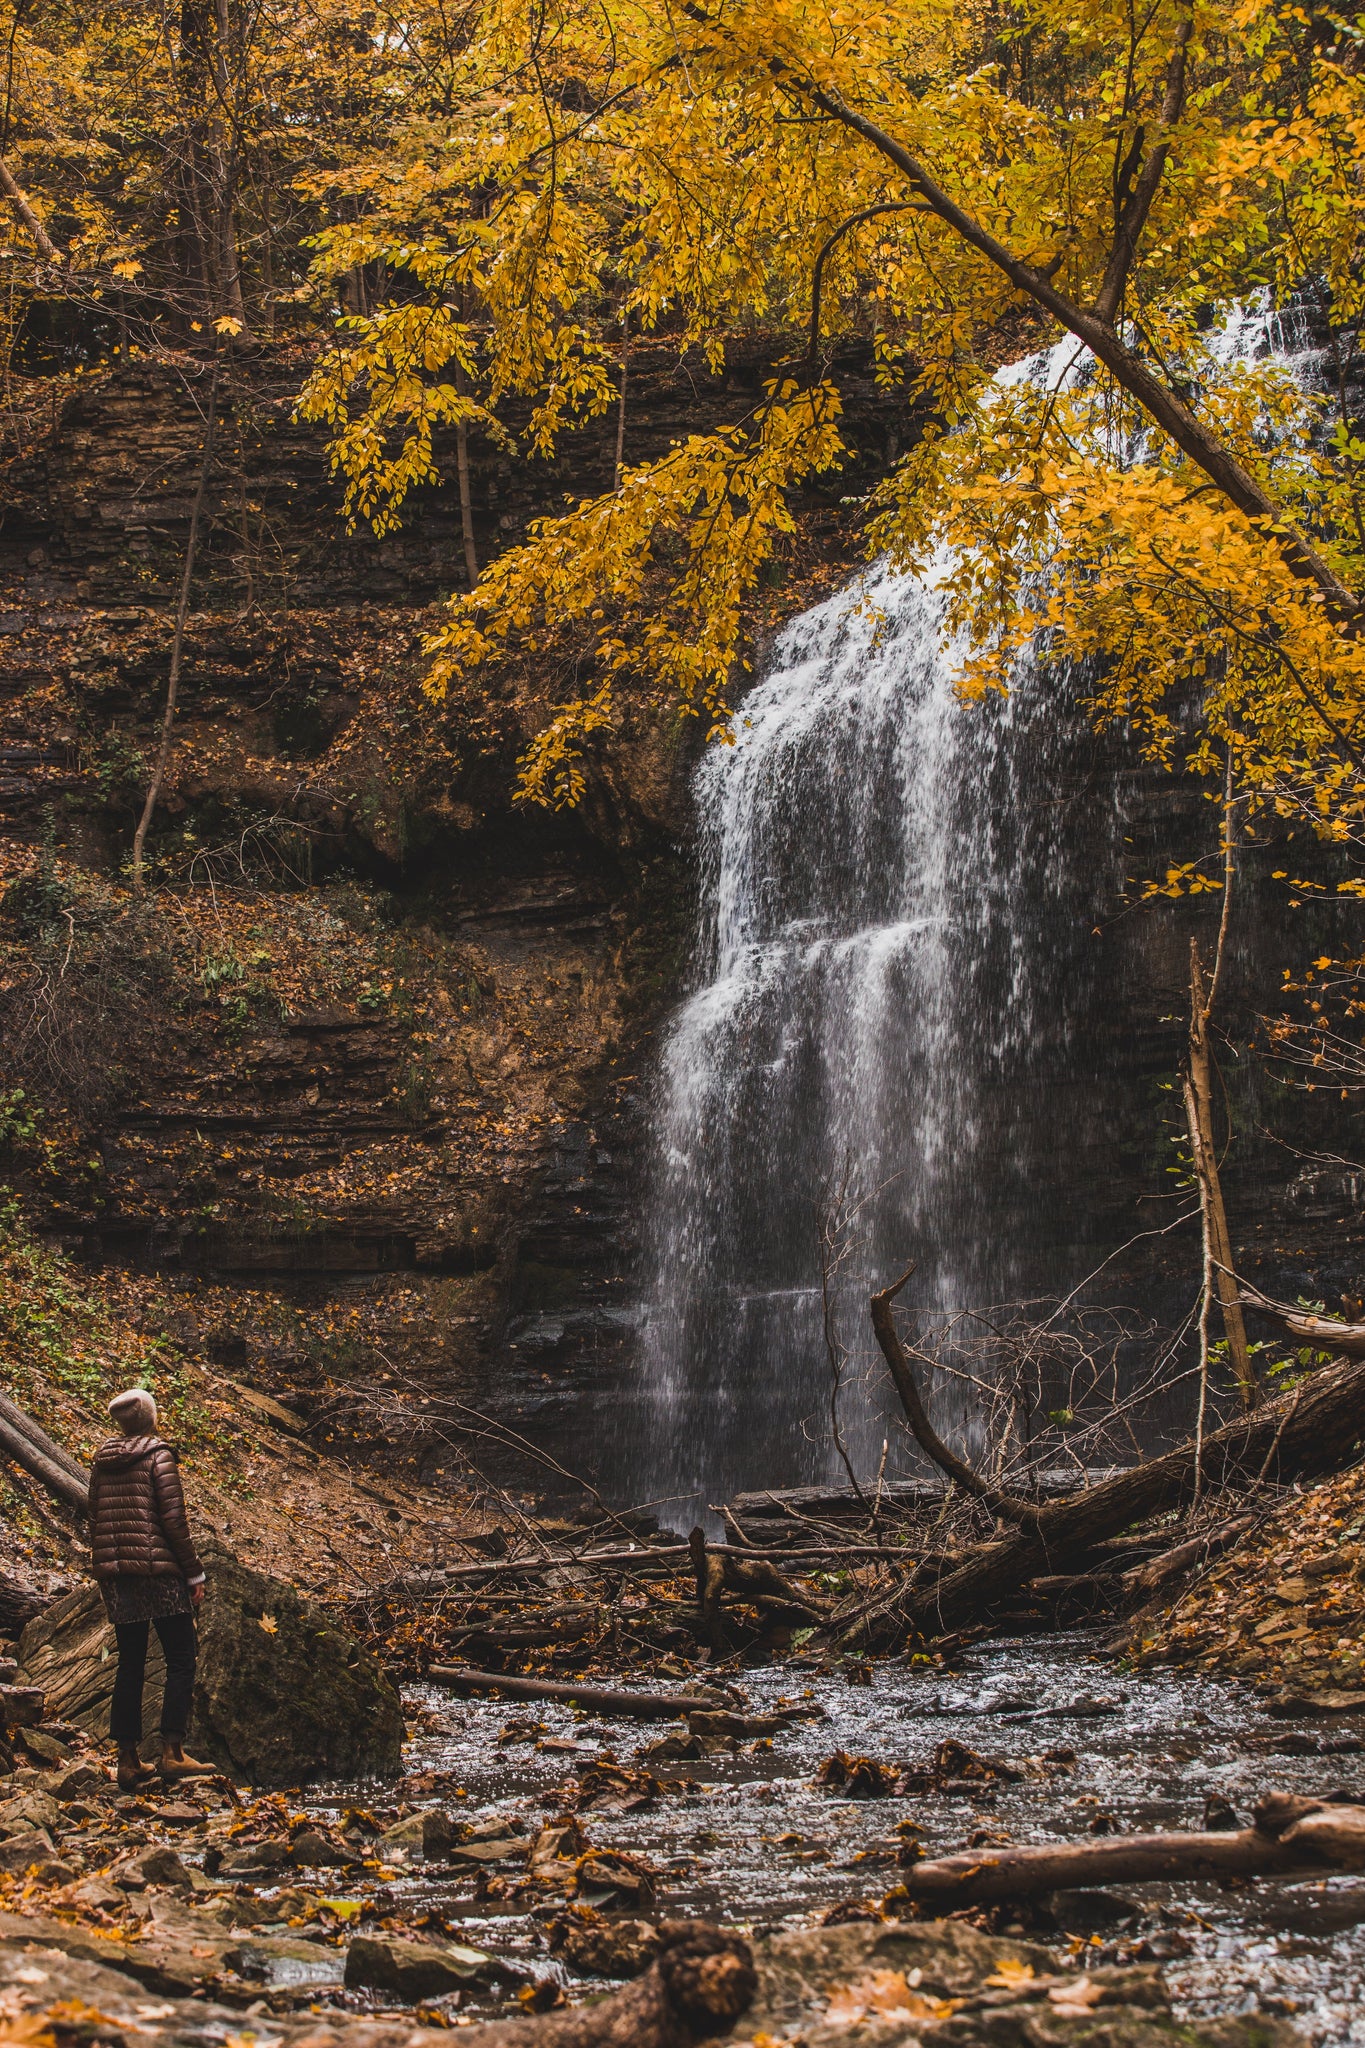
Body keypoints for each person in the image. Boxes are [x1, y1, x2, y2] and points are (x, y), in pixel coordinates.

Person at [87, 1388, 211, 1790]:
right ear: (150, 1418)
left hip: (120, 1576)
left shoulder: (102, 1462)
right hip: (159, 1574)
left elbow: (95, 1517)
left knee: (130, 1664)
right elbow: (173, 1520)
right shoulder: (159, 1455)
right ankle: (172, 1752)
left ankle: (127, 1760)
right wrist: (193, 1573)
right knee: (181, 1657)